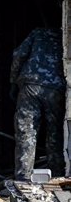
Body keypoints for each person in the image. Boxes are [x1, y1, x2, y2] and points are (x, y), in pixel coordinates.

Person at [10, 27, 66, 181]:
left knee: (26, 132)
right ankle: (58, 176)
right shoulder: (64, 37)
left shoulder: (38, 33)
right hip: (57, 88)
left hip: (30, 86)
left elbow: (18, 55)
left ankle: (23, 178)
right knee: (55, 133)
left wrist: (13, 81)